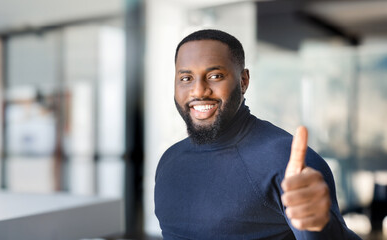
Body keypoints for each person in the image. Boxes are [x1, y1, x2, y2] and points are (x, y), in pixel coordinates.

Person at [154, 29, 360, 239]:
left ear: (243, 81)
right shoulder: (169, 161)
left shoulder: (287, 161)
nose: (198, 91)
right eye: (186, 78)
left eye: (215, 76)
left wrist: (323, 227)